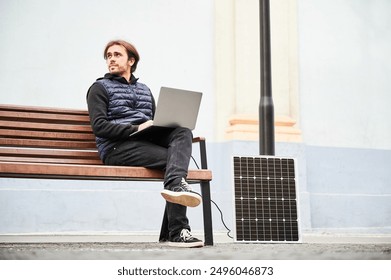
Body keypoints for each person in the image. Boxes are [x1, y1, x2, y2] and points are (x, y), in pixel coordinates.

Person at [86, 39, 203, 248]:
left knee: (183, 131)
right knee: (174, 163)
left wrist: (158, 126)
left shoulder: (144, 89)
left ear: (131, 60)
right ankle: (178, 231)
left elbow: (159, 121)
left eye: (116, 55)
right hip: (116, 147)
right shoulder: (99, 88)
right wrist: (135, 128)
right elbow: (100, 127)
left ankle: (175, 194)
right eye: (108, 56)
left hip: (145, 141)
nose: (111, 59)